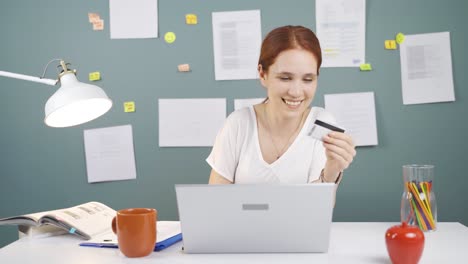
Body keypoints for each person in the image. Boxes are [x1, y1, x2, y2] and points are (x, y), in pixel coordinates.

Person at [207, 25, 356, 185]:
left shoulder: (323, 123)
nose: (296, 92)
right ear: (262, 74)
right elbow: (215, 201)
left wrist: (331, 172)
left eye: (308, 79)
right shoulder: (239, 123)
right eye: (285, 78)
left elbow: (320, 207)